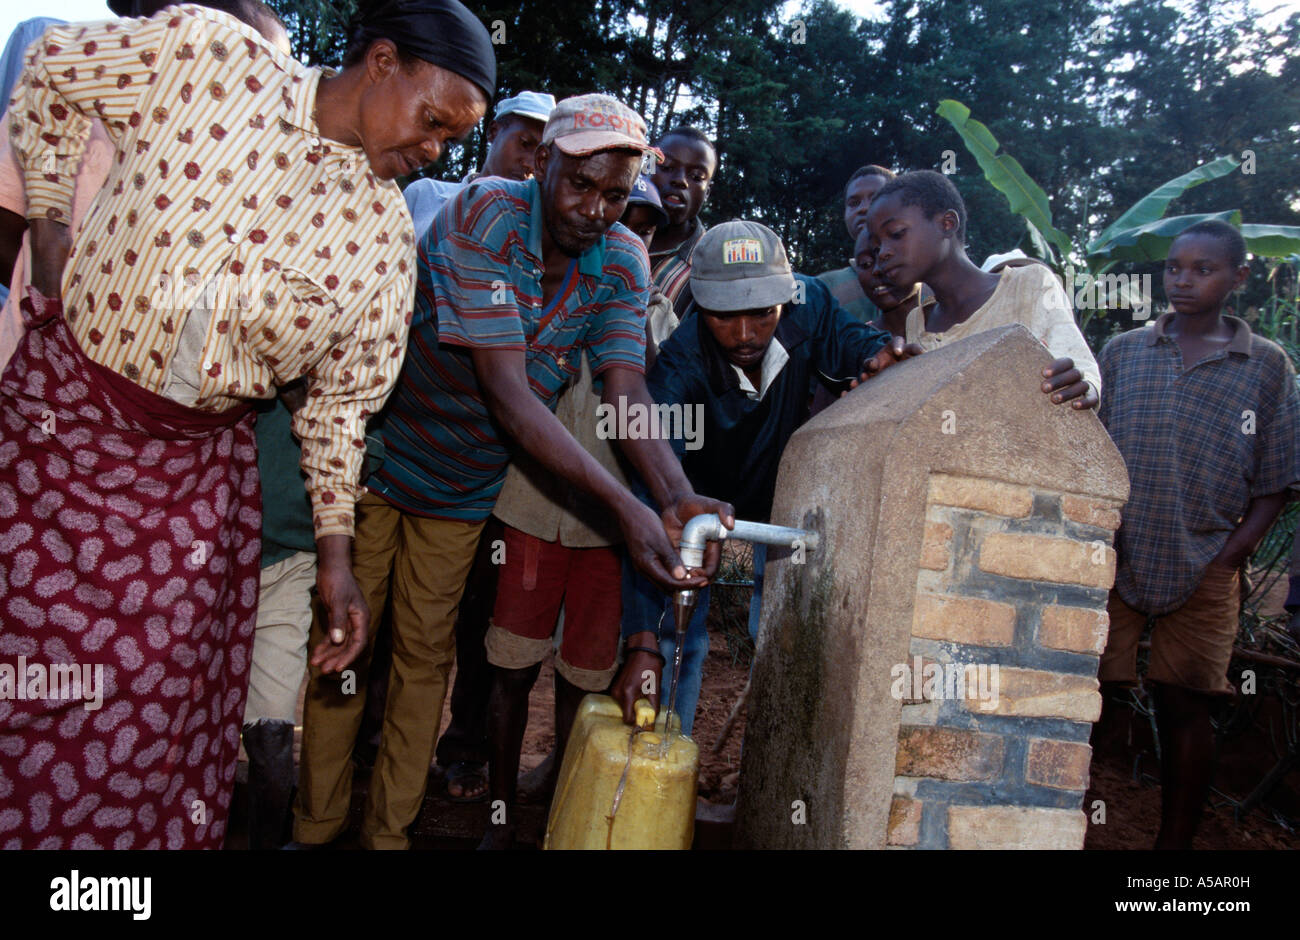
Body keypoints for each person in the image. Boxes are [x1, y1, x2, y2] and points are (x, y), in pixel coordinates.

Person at [0, 0, 495, 850]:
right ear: (380, 62)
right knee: (29, 696)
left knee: (147, 725)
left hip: (190, 492)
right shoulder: (213, 59)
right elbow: (53, 72)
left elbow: (340, 411)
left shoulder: (380, 240)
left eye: (453, 140)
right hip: (64, 440)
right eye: (434, 120)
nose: (436, 150)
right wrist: (50, 235)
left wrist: (338, 562)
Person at [293, 94, 731, 851]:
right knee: (347, 643)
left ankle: (387, 836)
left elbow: (625, 390)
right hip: (381, 452)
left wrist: (674, 492)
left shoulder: (623, 260)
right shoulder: (486, 213)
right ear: (540, 163)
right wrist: (629, 512)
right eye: (580, 186)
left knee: (425, 657)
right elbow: (508, 391)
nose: (596, 210)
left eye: (616, 195)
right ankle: (315, 825)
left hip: (464, 483)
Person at [615, 220, 918, 736]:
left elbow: (855, 343)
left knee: (770, 634)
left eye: (762, 313)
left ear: (786, 297)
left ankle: (762, 777)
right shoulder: (679, 367)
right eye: (724, 317)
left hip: (773, 514)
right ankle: (666, 758)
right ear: (701, 306)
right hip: (705, 518)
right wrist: (642, 640)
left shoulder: (811, 305)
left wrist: (879, 356)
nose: (745, 334)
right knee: (681, 637)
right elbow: (653, 497)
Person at [434, 173, 673, 806]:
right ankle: (500, 809)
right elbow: (509, 392)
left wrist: (669, 499)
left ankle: (559, 809)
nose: (628, 234)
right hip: (530, 512)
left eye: (643, 225)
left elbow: (639, 404)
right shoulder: (536, 284)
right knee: (509, 665)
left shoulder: (647, 318)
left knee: (585, 676)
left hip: (604, 534)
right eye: (629, 221)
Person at [1094, 220, 1300, 849]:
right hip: (1115, 554)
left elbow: (1278, 478)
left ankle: (1173, 852)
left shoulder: (1264, 366)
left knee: (1188, 704)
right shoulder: (1125, 352)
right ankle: (1066, 819)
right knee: (1089, 694)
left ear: (1238, 277)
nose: (1183, 280)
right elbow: (1090, 450)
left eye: (1203, 269)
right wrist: (1101, 536)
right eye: (1175, 267)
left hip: (1209, 558)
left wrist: (1232, 556)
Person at [864, 169, 1101, 407]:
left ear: (947, 224)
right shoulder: (917, 322)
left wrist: (1081, 385)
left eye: (896, 234)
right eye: (876, 247)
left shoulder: (1028, 284)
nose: (883, 253)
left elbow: (1080, 366)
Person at [404, 90, 556, 237]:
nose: (531, 164)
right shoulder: (424, 195)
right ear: (493, 132)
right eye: (525, 143)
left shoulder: (533, 235)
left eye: (543, 158)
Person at [647, 125, 717, 316]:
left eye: (696, 177)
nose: (680, 181)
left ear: (707, 193)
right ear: (646, 167)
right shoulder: (605, 229)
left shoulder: (709, 269)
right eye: (667, 167)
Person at [816, 164, 895, 323]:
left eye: (875, 199)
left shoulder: (930, 277)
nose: (864, 208)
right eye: (854, 203)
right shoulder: (822, 287)